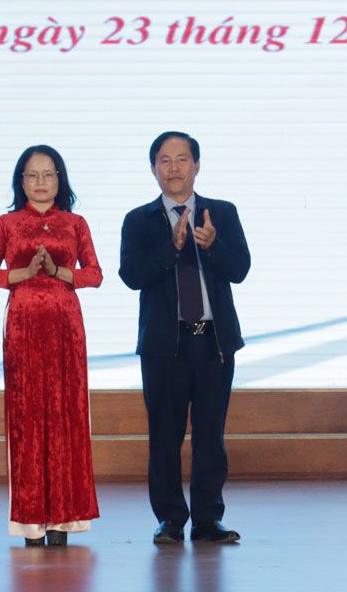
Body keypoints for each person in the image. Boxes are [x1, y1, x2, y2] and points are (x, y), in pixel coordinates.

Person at [119, 131, 250, 545]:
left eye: (181, 159)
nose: (173, 168)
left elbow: (240, 268)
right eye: (164, 160)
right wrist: (172, 249)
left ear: (197, 165)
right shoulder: (138, 220)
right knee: (165, 436)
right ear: (153, 168)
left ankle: (208, 520)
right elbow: (132, 276)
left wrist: (211, 246)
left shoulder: (221, 213)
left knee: (211, 435)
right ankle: (171, 519)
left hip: (213, 343)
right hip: (164, 346)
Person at [0, 145, 102, 547]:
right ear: (21, 181)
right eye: (32, 175)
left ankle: (64, 521)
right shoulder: (7, 223)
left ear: (60, 179)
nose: (41, 183)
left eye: (49, 175)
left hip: (67, 328)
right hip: (23, 328)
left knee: (67, 416)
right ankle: (31, 522)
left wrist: (59, 272)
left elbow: (95, 275)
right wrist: (25, 273)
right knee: (27, 417)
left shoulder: (75, 223)